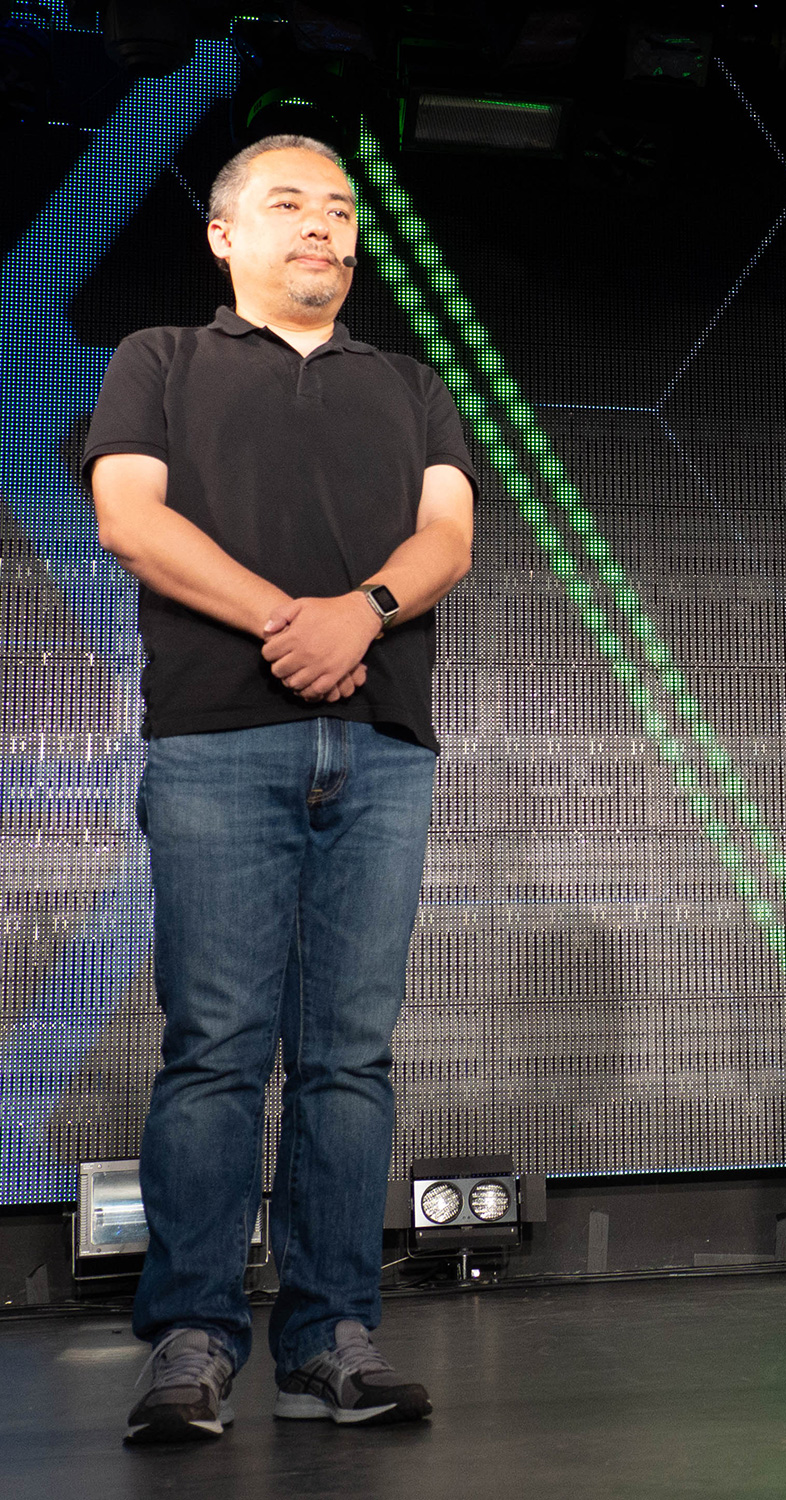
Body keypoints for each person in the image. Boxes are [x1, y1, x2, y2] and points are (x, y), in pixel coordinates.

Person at [85, 134, 477, 1441]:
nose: (324, 225)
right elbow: (131, 518)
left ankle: (329, 1340)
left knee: (348, 1059)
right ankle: (193, 1338)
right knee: (213, 1050)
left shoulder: (411, 384)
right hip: (217, 740)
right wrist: (289, 620)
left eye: (342, 209)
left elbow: (448, 536)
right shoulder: (159, 359)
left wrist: (362, 612)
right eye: (291, 203)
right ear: (224, 235)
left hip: (381, 746)